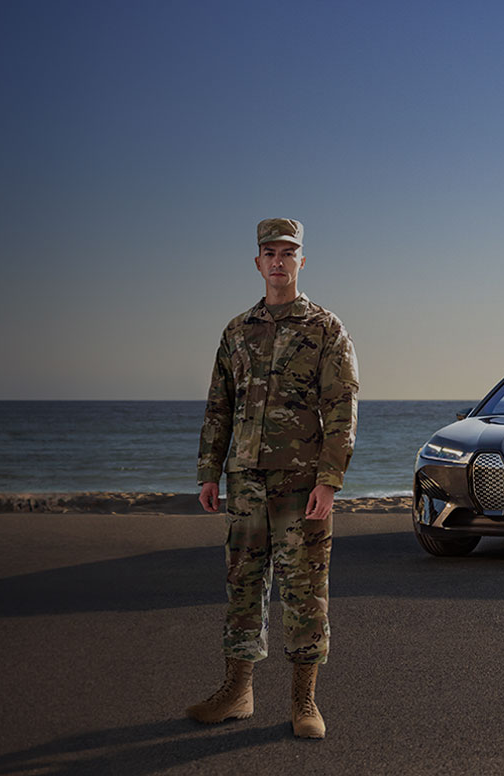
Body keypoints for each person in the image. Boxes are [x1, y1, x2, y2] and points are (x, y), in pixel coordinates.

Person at [187, 217, 359, 739]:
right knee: (243, 584)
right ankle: (237, 692)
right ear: (258, 262)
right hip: (244, 482)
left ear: (301, 261)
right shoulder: (236, 332)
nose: (279, 260)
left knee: (305, 589)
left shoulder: (325, 329)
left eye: (289, 252)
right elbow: (220, 405)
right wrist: (209, 471)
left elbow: (342, 406)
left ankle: (304, 702)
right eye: (270, 252)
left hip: (300, 484)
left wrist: (329, 479)